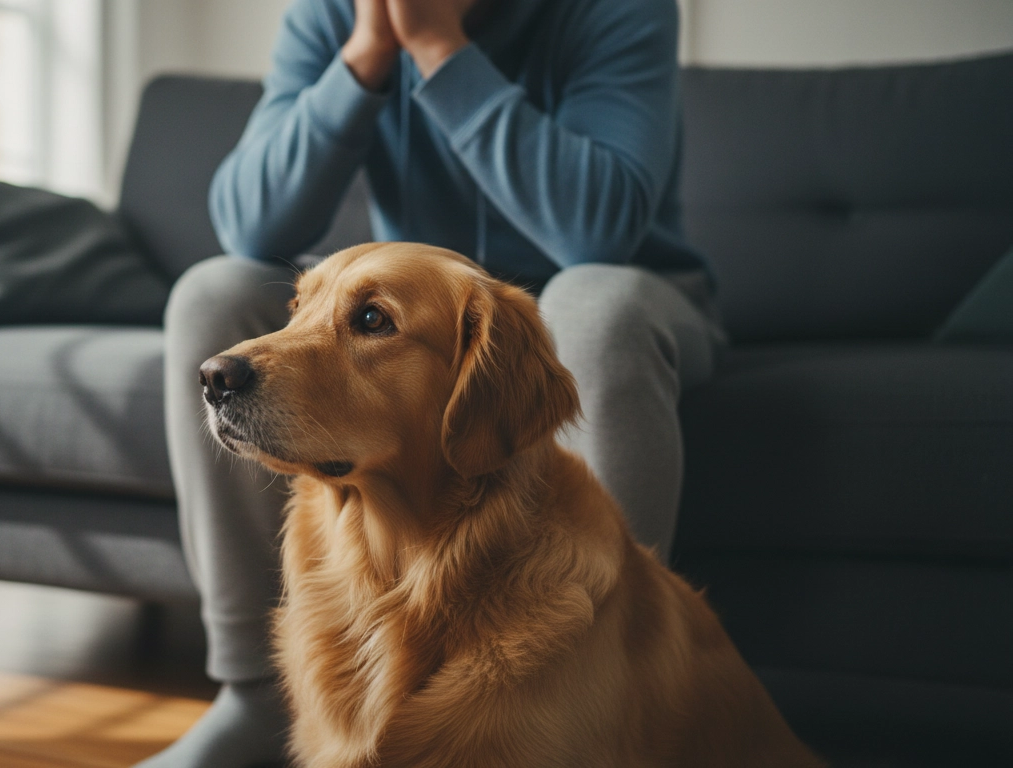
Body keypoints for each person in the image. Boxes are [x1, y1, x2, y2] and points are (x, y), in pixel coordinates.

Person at [142, 0, 726, 765]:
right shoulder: (334, 13)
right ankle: (255, 695)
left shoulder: (618, 10)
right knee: (213, 290)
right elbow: (250, 223)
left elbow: (598, 229)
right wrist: (366, 54)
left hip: (626, 293)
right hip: (421, 309)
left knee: (593, 305)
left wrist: (437, 46)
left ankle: (602, 686)